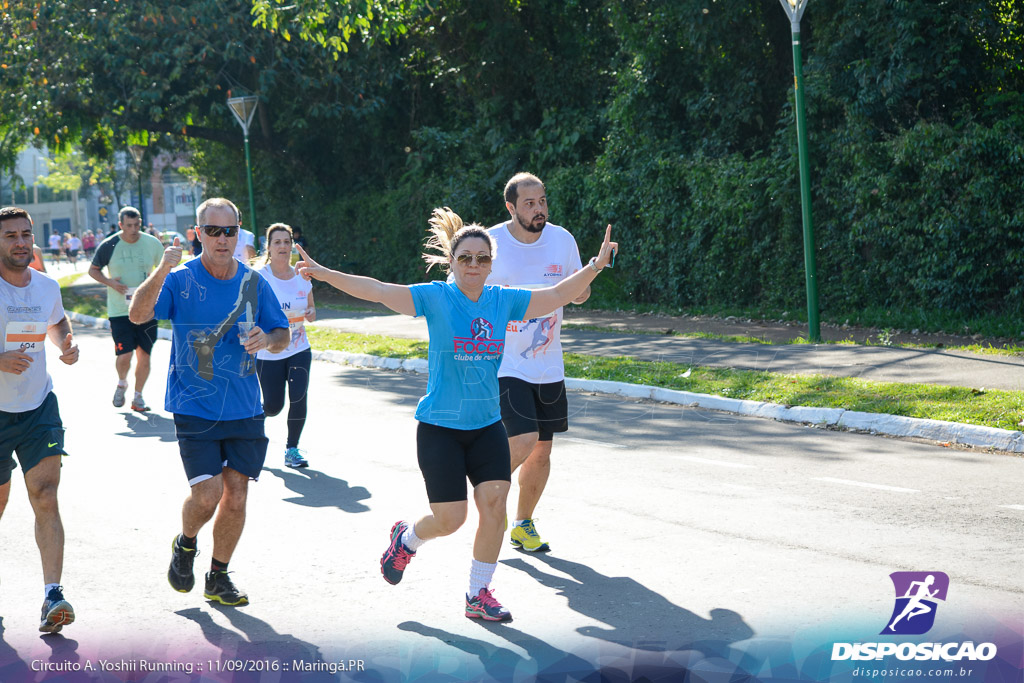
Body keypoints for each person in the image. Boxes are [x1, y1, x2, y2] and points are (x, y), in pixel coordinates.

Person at [295, 207, 617, 622]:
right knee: (451, 519)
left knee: (495, 505)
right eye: (465, 257)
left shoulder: (504, 301)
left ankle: (477, 593)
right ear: (452, 262)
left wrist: (594, 265)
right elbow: (375, 289)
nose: (473, 265)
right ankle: (406, 540)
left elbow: (555, 297)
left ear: (490, 265)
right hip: (440, 429)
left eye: (482, 259)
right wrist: (323, 273)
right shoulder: (436, 297)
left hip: (486, 426)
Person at [129, 197, 289, 607]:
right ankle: (185, 544)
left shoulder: (254, 283)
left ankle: (218, 577)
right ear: (197, 233)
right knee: (208, 495)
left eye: (229, 231)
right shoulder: (180, 278)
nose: (222, 239)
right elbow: (137, 315)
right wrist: (162, 268)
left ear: (239, 232)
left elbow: (281, 334)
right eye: (213, 231)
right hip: (194, 402)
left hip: (245, 405)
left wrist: (266, 340)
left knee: (236, 495)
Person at [486, 173, 589, 553]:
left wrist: (590, 271)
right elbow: (462, 288)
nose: (539, 209)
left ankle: (522, 523)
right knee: (524, 440)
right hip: (504, 361)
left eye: (542, 201)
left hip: (549, 363)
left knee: (542, 449)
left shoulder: (562, 240)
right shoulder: (491, 243)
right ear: (511, 208)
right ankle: (485, 491)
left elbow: (580, 295)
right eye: (529, 204)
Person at [0, 206, 80, 633]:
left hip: (38, 407)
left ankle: (53, 595)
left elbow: (57, 320)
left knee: (45, 494)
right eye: (10, 235)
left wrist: (66, 341)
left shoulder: (47, 286)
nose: (20, 242)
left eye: (26, 234)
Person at [89, 206, 166, 412]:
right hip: (120, 310)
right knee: (125, 355)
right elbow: (93, 270)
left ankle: (138, 397)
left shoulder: (152, 243)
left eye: (137, 225)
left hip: (147, 309)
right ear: (121, 225)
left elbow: (165, 269)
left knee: (145, 355)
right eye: (129, 225)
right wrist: (110, 283)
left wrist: (155, 282)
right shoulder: (110, 244)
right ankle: (122, 382)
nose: (133, 229)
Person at [255, 224, 316, 469]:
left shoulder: (302, 276)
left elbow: (311, 308)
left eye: (286, 242)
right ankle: (250, 427)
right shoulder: (260, 277)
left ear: (292, 245)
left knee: (299, 397)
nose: (282, 246)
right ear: (268, 247)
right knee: (273, 405)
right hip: (269, 351)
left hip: (299, 348)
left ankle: (292, 449)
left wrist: (311, 312)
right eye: (277, 242)